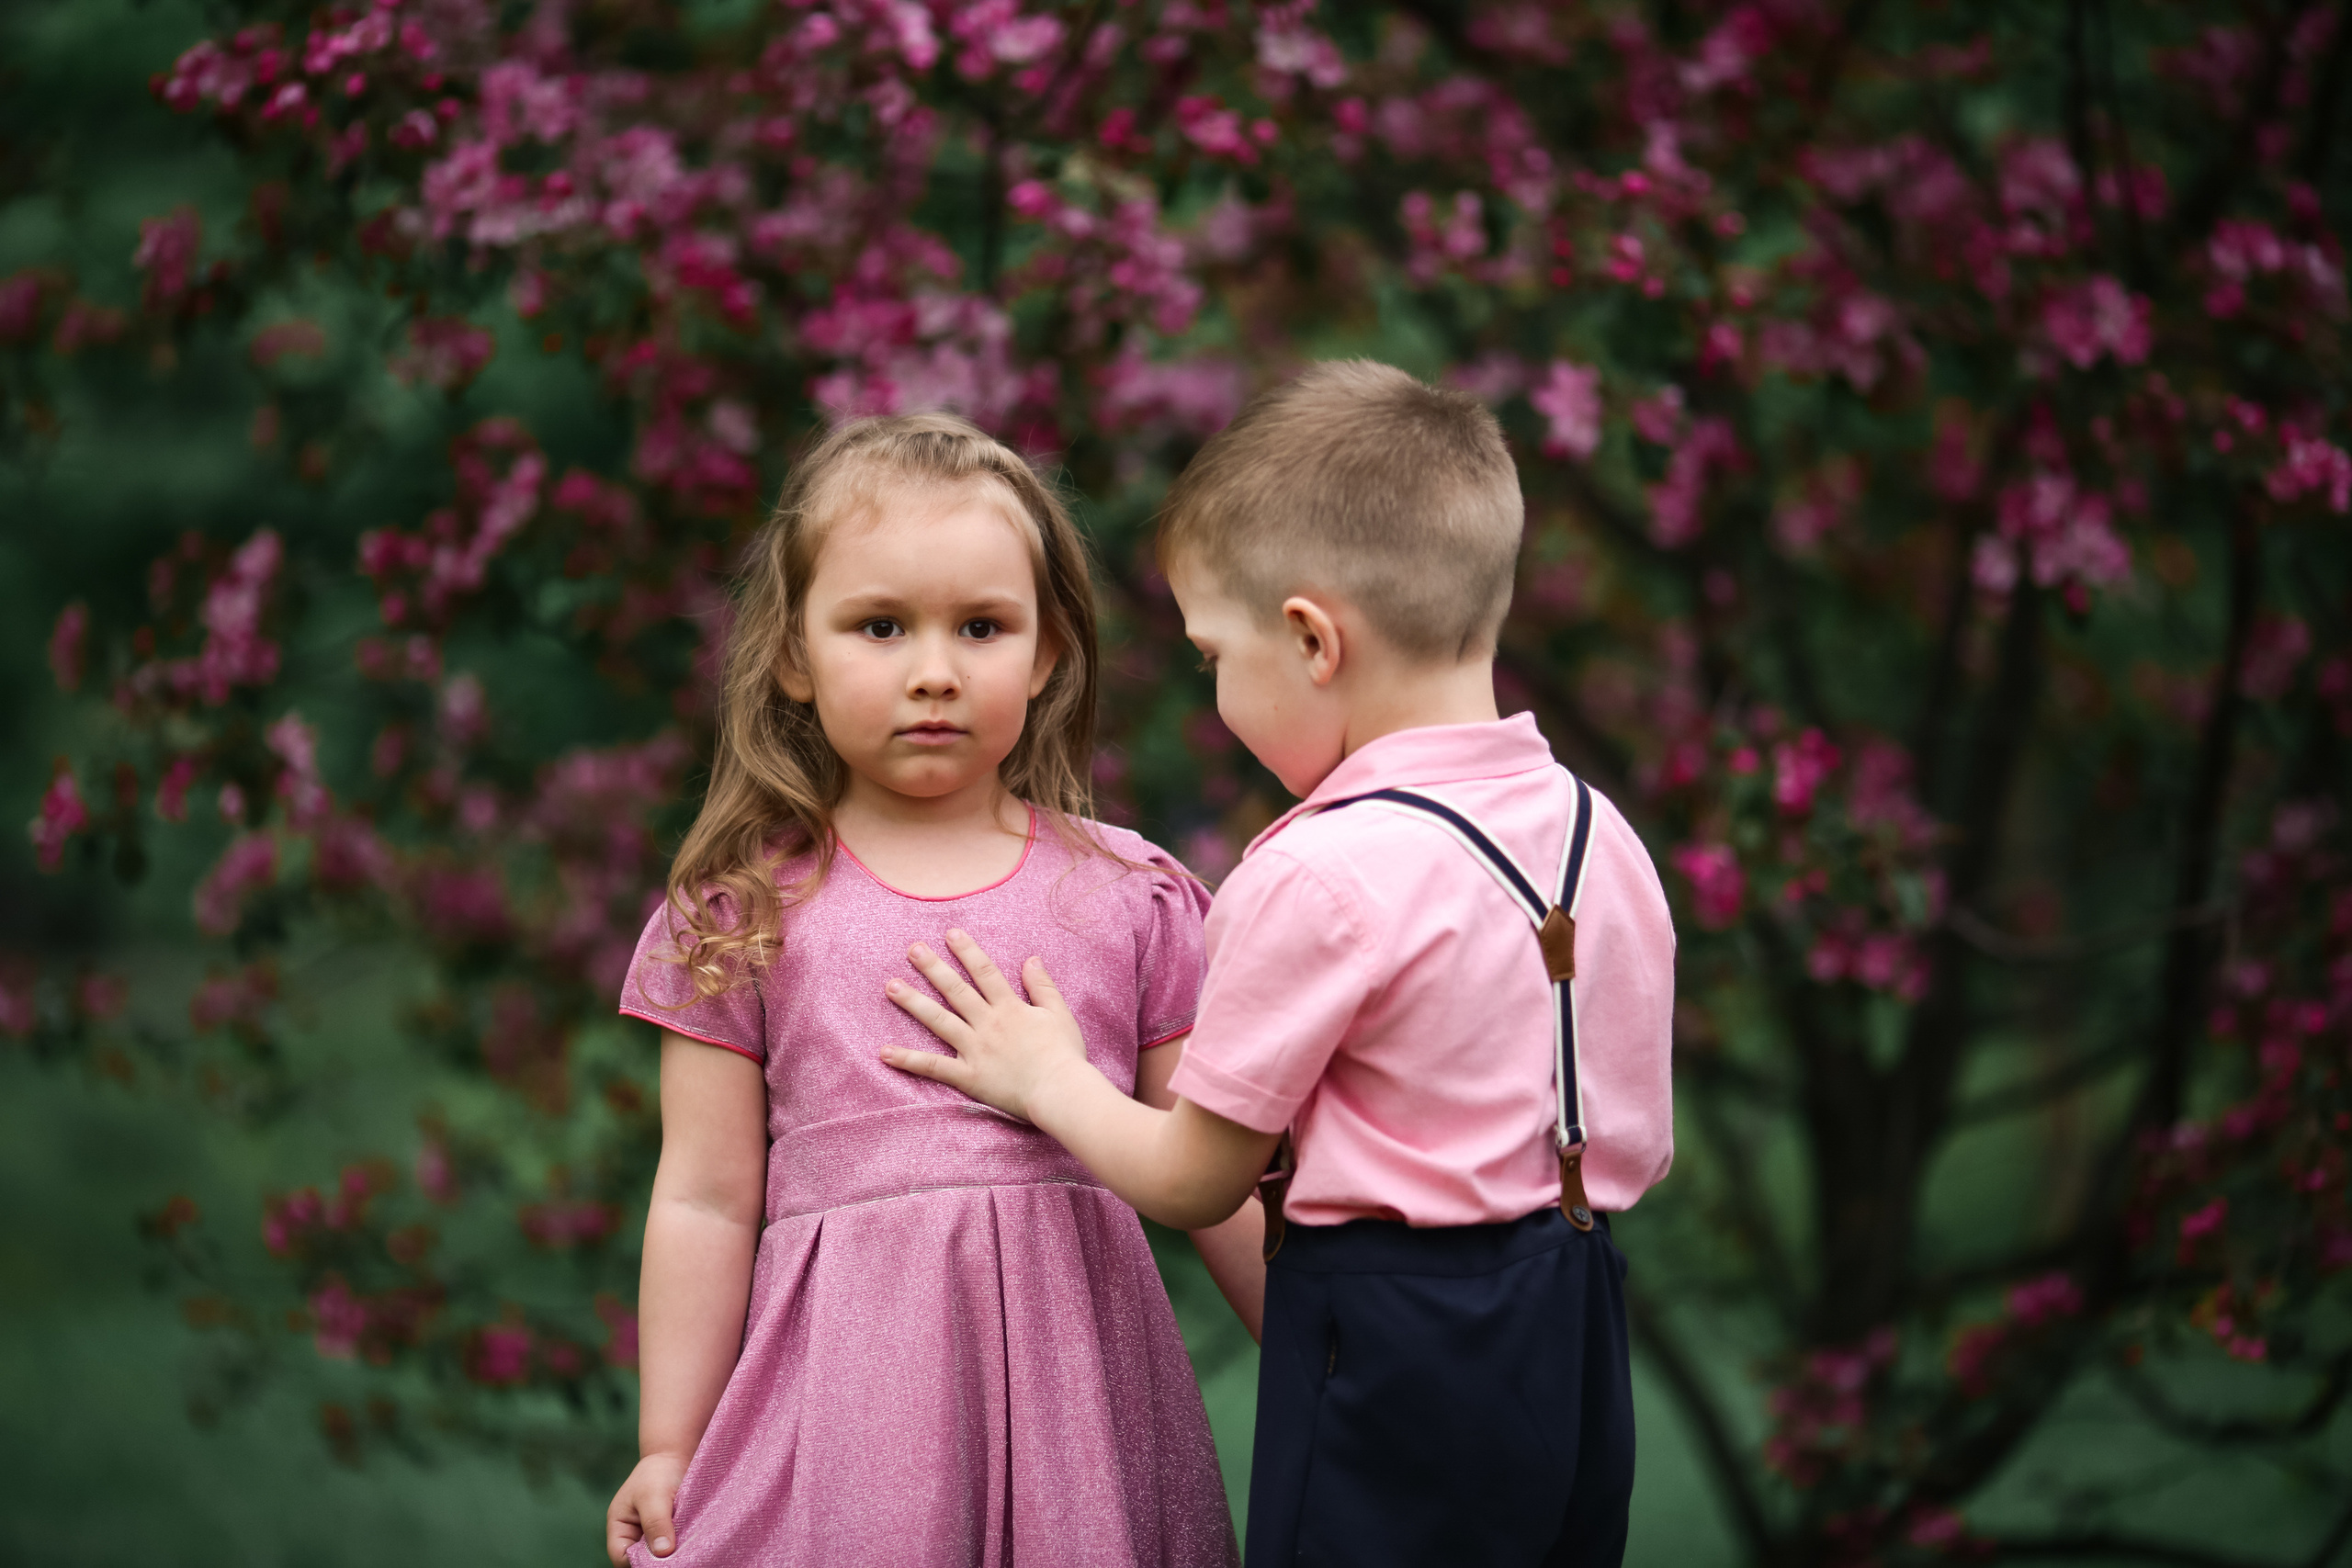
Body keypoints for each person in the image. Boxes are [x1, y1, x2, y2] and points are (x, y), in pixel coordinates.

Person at [881, 361, 1676, 1568]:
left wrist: (1046, 1073)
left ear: (1309, 638)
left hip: (1396, 1338)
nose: (1215, 693)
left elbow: (1196, 1175)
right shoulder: (1598, 832)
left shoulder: (1317, 875)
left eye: (1212, 655)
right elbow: (1635, 1133)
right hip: (1574, 1316)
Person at [604, 412, 1250, 1568]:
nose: (935, 671)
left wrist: (1336, 1358)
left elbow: (1216, 1169)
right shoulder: (742, 915)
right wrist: (668, 1441)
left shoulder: (1129, 897)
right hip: (844, 1409)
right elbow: (704, 1199)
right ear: (794, 654)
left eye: (983, 627)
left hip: (1082, 1409)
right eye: (881, 625)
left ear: (1049, 652)